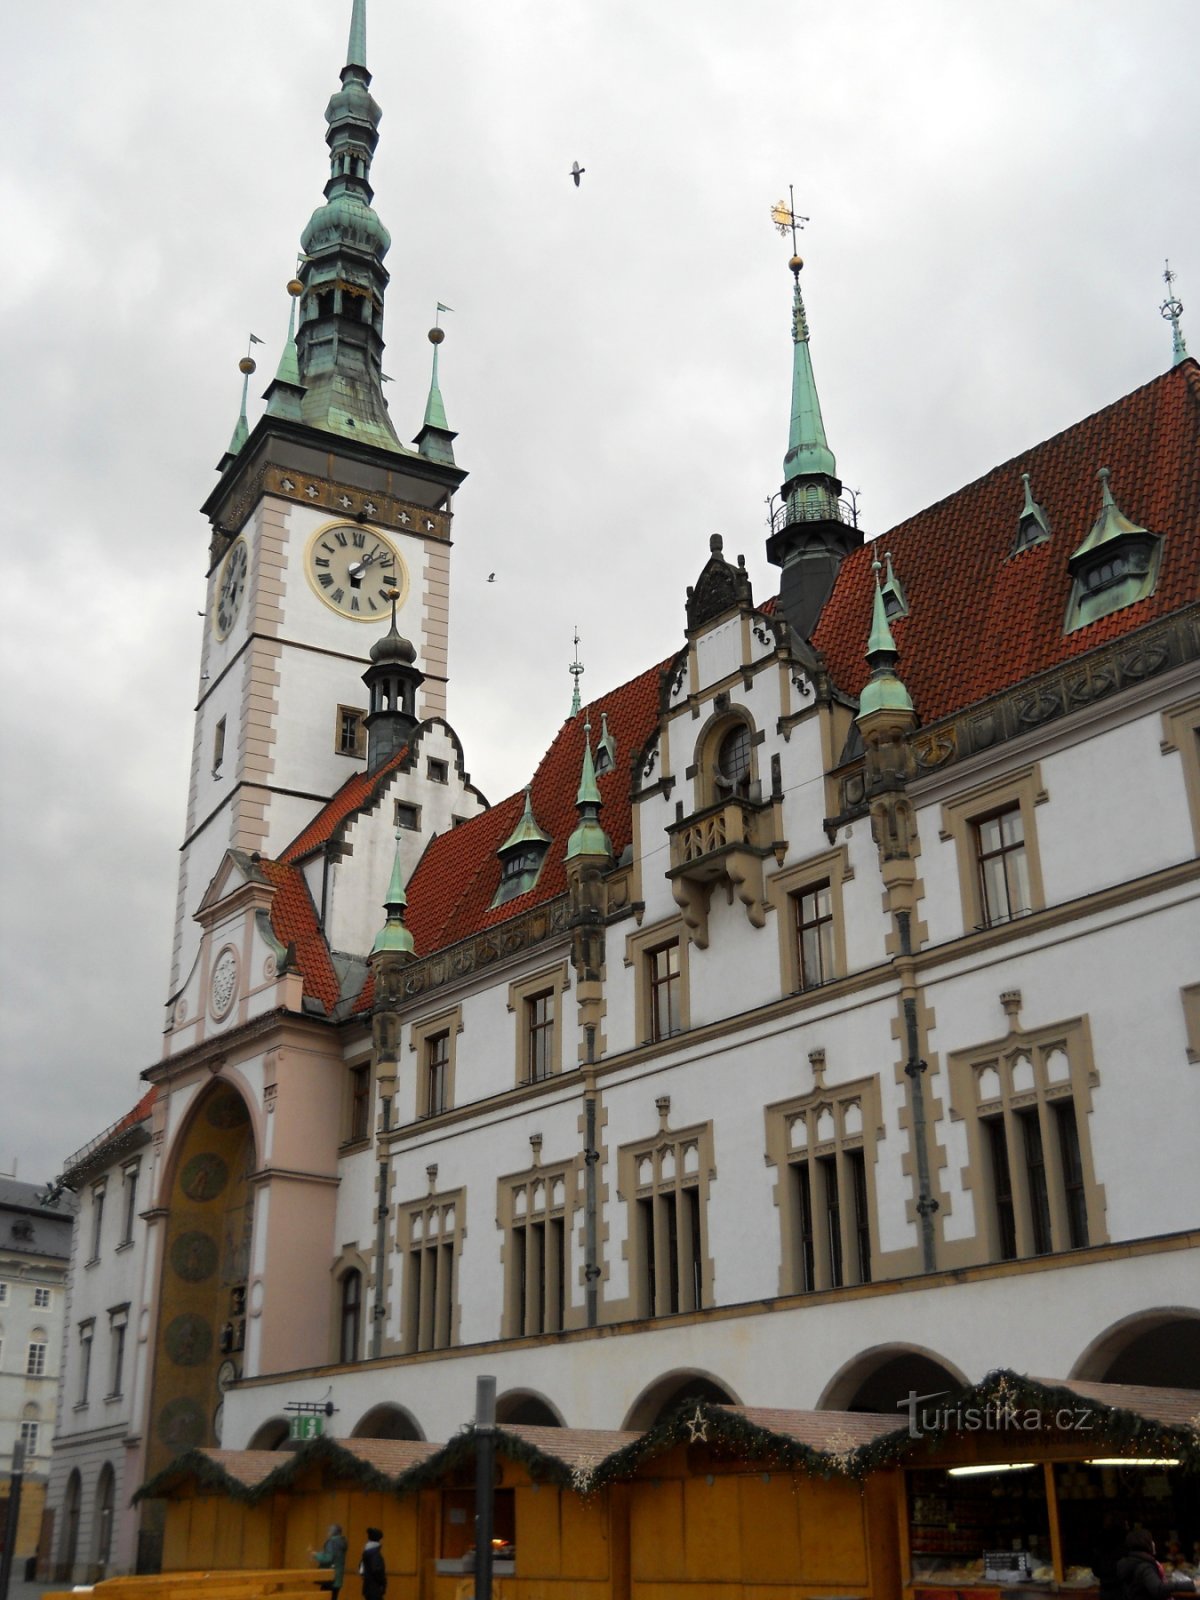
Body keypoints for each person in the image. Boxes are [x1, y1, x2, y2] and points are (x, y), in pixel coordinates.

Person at [1118, 1529, 1195, 1600]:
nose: (1153, 1543)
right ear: (1145, 1543)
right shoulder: (1144, 1566)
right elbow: (1159, 1589)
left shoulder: (1131, 1561)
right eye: (1151, 1540)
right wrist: (1192, 1584)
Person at [310, 1524, 348, 1600]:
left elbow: (328, 1558)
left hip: (329, 1577)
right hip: (338, 1577)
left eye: (329, 1531)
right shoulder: (342, 1542)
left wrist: (316, 1555)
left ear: (332, 1532)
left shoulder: (332, 1542)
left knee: (324, 1597)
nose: (327, 1532)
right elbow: (334, 1556)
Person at [360, 1526, 387, 1600]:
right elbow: (377, 1570)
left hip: (368, 1587)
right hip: (375, 1589)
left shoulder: (366, 1551)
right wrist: (383, 1582)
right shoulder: (375, 1553)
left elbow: (361, 1569)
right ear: (380, 1540)